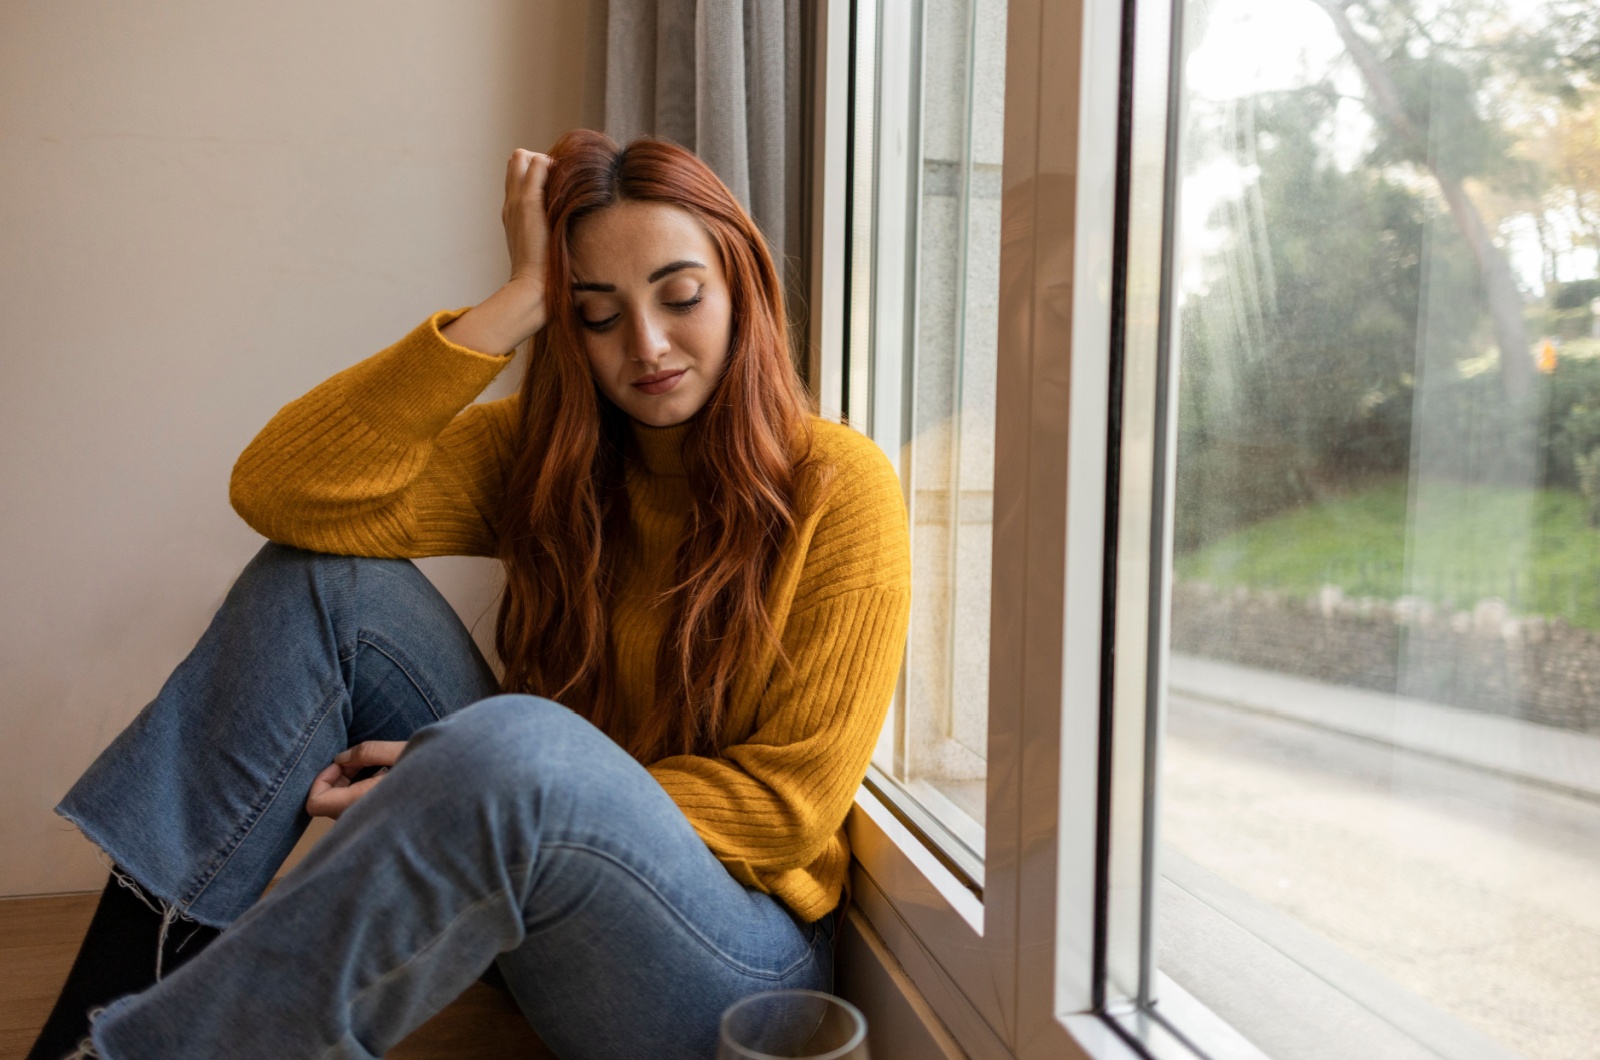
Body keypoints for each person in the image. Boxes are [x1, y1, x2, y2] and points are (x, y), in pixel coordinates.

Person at [28, 129, 911, 1060]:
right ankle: (93, 1027)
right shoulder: (552, 458)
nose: (647, 344)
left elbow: (787, 809)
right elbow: (280, 490)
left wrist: (462, 793)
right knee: (321, 582)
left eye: (682, 296)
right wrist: (515, 303)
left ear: (742, 289)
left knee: (514, 747)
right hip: (531, 899)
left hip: (731, 963)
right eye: (596, 315)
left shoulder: (838, 486)